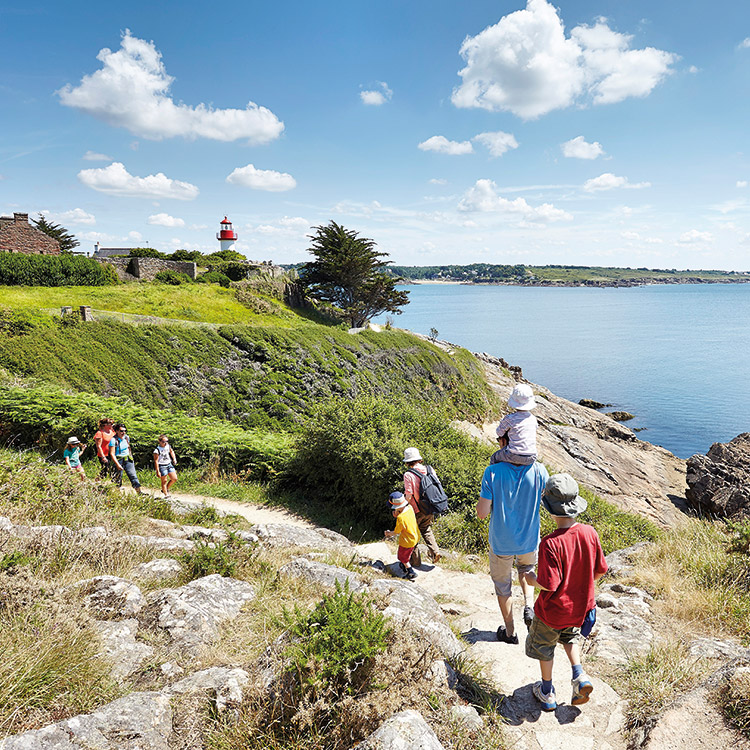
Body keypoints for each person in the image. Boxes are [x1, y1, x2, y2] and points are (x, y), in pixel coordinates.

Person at [522, 473, 608, 711]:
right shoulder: (589, 533)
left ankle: (547, 691)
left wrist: (531, 579)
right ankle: (579, 676)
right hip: (580, 608)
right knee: (570, 637)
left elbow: (549, 583)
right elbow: (601, 569)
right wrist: (580, 585)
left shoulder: (550, 543)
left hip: (552, 612)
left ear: (549, 508)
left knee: (545, 646)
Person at [476, 457, 549, 644]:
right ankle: (528, 605)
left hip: (501, 540)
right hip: (529, 537)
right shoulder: (539, 470)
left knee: (503, 585)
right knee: (527, 570)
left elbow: (482, 513)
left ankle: (510, 632)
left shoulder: (492, 471)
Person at [402, 447, 441, 563]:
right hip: (430, 506)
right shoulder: (429, 469)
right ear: (419, 459)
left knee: (411, 533)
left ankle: (416, 562)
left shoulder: (408, 475)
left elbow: (409, 496)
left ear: (407, 462)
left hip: (416, 509)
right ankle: (435, 551)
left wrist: (402, 508)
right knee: (426, 529)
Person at [491, 383, 538, 466]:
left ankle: (495, 477)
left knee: (494, 457)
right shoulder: (533, 419)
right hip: (532, 456)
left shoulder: (510, 418)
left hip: (513, 455)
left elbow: (499, 432)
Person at [384, 491, 419, 581]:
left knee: (402, 557)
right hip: (414, 536)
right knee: (407, 554)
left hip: (407, 541)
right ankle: (404, 566)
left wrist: (388, 534)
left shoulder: (400, 518)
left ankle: (411, 572)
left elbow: (397, 532)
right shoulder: (410, 508)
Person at [109, 423, 142, 493]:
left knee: (133, 475)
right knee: (117, 478)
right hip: (118, 459)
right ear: (117, 431)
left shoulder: (127, 438)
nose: (123, 433)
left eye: (124, 431)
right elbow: (112, 453)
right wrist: (117, 464)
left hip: (127, 458)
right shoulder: (113, 440)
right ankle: (116, 493)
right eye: (121, 431)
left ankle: (139, 492)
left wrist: (131, 457)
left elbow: (128, 447)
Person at [153, 434, 177, 498]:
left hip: (169, 464)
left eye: (167, 441)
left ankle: (165, 489)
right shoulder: (157, 450)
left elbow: (171, 451)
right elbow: (156, 461)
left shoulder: (168, 446)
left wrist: (174, 459)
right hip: (162, 465)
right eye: (164, 441)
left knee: (174, 478)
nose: (165, 443)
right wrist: (157, 471)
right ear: (160, 441)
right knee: (164, 480)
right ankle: (166, 494)